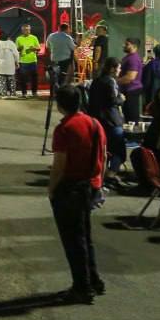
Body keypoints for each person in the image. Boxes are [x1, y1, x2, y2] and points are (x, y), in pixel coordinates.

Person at [48, 84, 107, 304]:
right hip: (90, 185)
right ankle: (94, 279)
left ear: (60, 105)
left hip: (70, 187)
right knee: (85, 237)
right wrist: (98, 182)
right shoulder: (94, 123)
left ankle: (82, 287)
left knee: (73, 241)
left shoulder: (64, 129)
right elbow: (103, 155)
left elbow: (60, 164)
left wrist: (51, 188)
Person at [85, 58, 127, 184]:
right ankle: (111, 173)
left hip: (97, 121)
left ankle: (101, 173)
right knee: (119, 150)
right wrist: (121, 99)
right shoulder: (110, 82)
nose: (120, 70)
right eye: (119, 68)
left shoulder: (96, 81)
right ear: (112, 69)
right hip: (111, 121)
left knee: (102, 149)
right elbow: (113, 101)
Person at [117, 38, 144, 123]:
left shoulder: (133, 59)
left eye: (127, 44)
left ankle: (133, 130)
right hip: (128, 90)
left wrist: (115, 82)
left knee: (131, 117)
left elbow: (130, 77)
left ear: (134, 46)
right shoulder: (128, 57)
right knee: (127, 115)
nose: (124, 46)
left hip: (131, 90)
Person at [15, 23, 41, 98]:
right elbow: (16, 50)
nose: (26, 31)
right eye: (25, 30)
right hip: (23, 61)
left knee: (34, 78)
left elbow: (39, 48)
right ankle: (24, 93)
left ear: (30, 30)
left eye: (28, 30)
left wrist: (34, 48)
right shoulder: (18, 38)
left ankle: (34, 92)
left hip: (33, 60)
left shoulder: (34, 37)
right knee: (23, 78)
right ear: (22, 30)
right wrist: (19, 48)